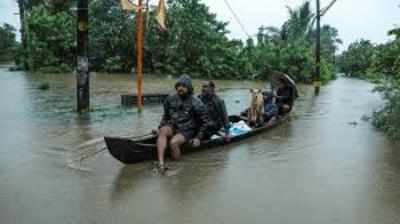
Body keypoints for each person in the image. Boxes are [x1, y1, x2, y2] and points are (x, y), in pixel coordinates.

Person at [156, 75, 209, 171]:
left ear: (188, 88)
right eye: (179, 86)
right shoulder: (170, 99)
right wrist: (160, 127)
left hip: (187, 130)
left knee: (173, 143)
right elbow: (166, 116)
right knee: (163, 130)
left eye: (183, 86)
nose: (180, 88)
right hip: (173, 125)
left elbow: (204, 122)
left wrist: (198, 138)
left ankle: (177, 166)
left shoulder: (196, 102)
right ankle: (161, 163)